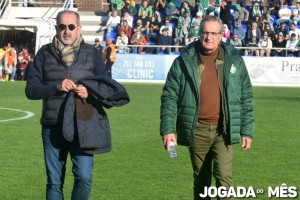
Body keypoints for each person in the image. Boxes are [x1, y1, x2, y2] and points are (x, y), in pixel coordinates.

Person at [160, 15, 254, 200]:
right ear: (199, 34)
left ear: (221, 35)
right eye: (205, 32)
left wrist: (247, 131)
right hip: (197, 130)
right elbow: (169, 97)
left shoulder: (234, 61)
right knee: (201, 181)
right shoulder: (183, 61)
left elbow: (246, 97)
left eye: (213, 33)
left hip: (224, 130)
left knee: (224, 179)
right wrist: (168, 129)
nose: (208, 37)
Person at [25, 10, 108, 200]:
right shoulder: (44, 53)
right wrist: (55, 87)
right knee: (54, 183)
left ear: (79, 28)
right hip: (53, 126)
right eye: (62, 26)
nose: (67, 31)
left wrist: (90, 92)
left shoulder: (93, 54)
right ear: (56, 28)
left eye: (71, 26)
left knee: (84, 178)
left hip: (83, 125)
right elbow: (31, 90)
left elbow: (106, 87)